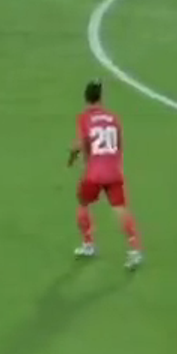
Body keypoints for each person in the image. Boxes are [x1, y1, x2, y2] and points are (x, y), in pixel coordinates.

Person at [69, 79, 142, 269]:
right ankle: (134, 250)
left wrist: (73, 157)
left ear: (86, 98)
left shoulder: (84, 118)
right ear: (101, 97)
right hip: (113, 171)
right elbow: (119, 145)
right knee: (120, 209)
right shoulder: (114, 118)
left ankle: (88, 244)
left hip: (94, 173)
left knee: (83, 204)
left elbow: (83, 144)